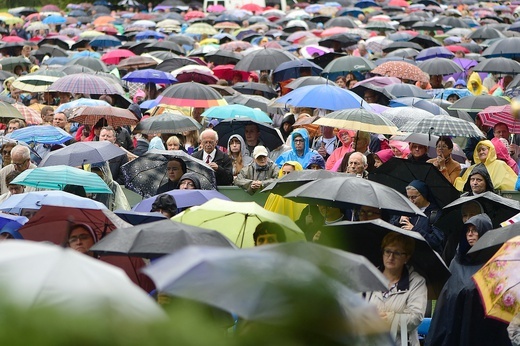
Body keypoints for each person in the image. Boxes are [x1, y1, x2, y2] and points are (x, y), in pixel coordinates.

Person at [426, 213, 510, 345]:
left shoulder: (495, 263)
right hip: (456, 324)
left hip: (483, 327)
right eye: (468, 231)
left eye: (475, 230)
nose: (470, 234)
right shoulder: (457, 262)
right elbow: (448, 296)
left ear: (485, 233)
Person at [365, 232, 427, 346]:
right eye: (387, 251)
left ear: (407, 257)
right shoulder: (370, 275)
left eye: (397, 253)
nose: (391, 257)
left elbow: (415, 317)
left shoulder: (416, 282)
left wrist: (388, 318)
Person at [394, 180, 444, 254]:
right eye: (409, 197)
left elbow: (437, 241)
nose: (411, 201)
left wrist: (414, 230)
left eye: (414, 197)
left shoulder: (436, 214)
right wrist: (398, 221)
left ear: (424, 195)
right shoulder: (405, 210)